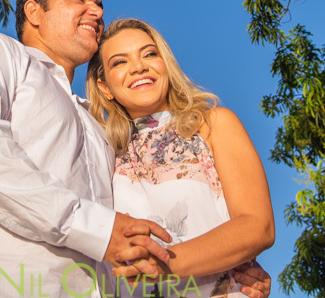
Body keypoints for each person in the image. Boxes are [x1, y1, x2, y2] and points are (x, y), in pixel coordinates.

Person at [0, 0, 272, 298]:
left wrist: (230, 270)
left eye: (100, 5)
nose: (97, 11)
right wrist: (96, 229)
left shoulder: (101, 133)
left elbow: (129, 240)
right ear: (34, 12)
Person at [87, 18, 276, 297]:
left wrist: (163, 264)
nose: (139, 67)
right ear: (104, 87)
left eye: (150, 54)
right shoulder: (100, 150)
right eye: (120, 62)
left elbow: (258, 227)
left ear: (166, 64)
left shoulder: (213, 125)